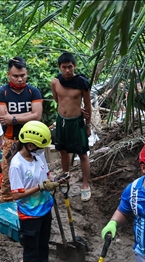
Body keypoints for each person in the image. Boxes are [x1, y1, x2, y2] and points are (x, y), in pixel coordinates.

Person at [6, 121, 64, 262]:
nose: (42, 150)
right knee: (31, 248)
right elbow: (16, 195)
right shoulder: (17, 165)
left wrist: (54, 180)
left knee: (44, 242)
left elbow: (47, 174)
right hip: (29, 214)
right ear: (30, 145)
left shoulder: (38, 156)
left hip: (44, 208)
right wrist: (40, 187)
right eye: (40, 147)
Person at [0, 57, 44, 201]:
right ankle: (6, 205)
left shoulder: (33, 91)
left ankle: (33, 201)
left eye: (22, 75)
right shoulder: (1, 93)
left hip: (33, 140)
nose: (20, 79)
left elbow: (37, 116)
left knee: (37, 172)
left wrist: (13, 118)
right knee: (8, 178)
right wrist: (29, 115)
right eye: (15, 76)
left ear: (27, 73)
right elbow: (4, 118)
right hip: (12, 140)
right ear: (8, 74)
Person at [51, 52, 93, 202]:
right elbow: (59, 100)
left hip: (77, 122)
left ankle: (85, 185)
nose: (67, 70)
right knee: (63, 151)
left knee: (82, 153)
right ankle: (66, 177)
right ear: (59, 67)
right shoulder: (55, 82)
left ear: (74, 66)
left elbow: (87, 105)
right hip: (62, 121)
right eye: (64, 67)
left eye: (70, 67)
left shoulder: (82, 83)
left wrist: (88, 125)